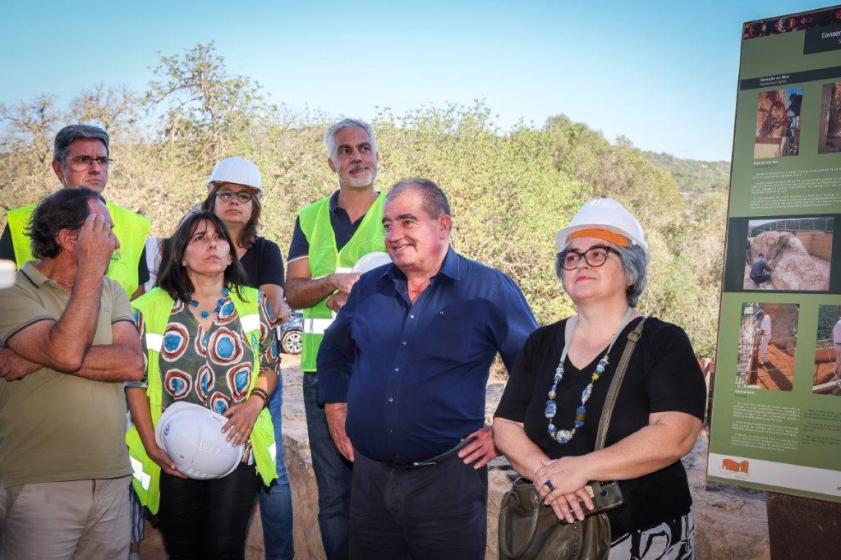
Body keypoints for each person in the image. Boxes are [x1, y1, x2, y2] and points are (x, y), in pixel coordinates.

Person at [318, 178, 537, 559]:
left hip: (447, 484)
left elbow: (535, 371)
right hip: (369, 481)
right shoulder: (371, 287)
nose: (394, 235)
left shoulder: (489, 290)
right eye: (387, 225)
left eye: (407, 221)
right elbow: (333, 352)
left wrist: (500, 433)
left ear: (444, 225)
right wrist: (336, 410)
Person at [493, 198, 706, 559]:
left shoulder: (663, 341)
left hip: (643, 535)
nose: (580, 264)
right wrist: (552, 480)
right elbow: (506, 424)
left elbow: (676, 433)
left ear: (631, 269)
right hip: (549, 532)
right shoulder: (542, 342)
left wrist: (583, 469)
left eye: (598, 253)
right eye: (572, 257)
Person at [124, 211, 279, 559]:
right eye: (199, 238)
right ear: (180, 255)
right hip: (172, 451)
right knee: (183, 548)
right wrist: (151, 446)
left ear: (230, 252)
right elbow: (133, 381)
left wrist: (255, 403)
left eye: (219, 237)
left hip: (237, 446)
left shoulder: (253, 303)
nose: (212, 244)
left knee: (226, 547)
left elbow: (270, 364)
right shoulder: (147, 309)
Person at [0, 188, 144, 559]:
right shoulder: (11, 289)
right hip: (38, 483)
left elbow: (131, 362)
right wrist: (57, 351)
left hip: (112, 478)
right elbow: (64, 352)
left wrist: (36, 355)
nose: (113, 244)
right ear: (68, 239)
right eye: (103, 231)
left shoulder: (112, 290)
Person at [285, 118, 387, 558]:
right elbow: (293, 292)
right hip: (319, 376)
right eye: (345, 150)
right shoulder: (309, 218)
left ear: (377, 156)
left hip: (384, 373)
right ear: (332, 162)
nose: (356, 156)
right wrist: (332, 281)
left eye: (364, 148)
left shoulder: (398, 211)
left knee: (382, 488)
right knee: (334, 496)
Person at [201, 156, 294, 559]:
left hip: (261, 374)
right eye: (225, 194)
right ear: (212, 198)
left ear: (255, 205)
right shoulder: (192, 244)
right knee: (209, 468)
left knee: (271, 475)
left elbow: (272, 305)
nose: (234, 202)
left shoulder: (266, 251)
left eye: (244, 196)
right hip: (201, 373)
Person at [1, 124, 151, 299]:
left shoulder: (135, 225)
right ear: (58, 168)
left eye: (102, 160)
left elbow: (137, 299)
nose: (95, 169)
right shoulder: (19, 221)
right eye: (82, 160)